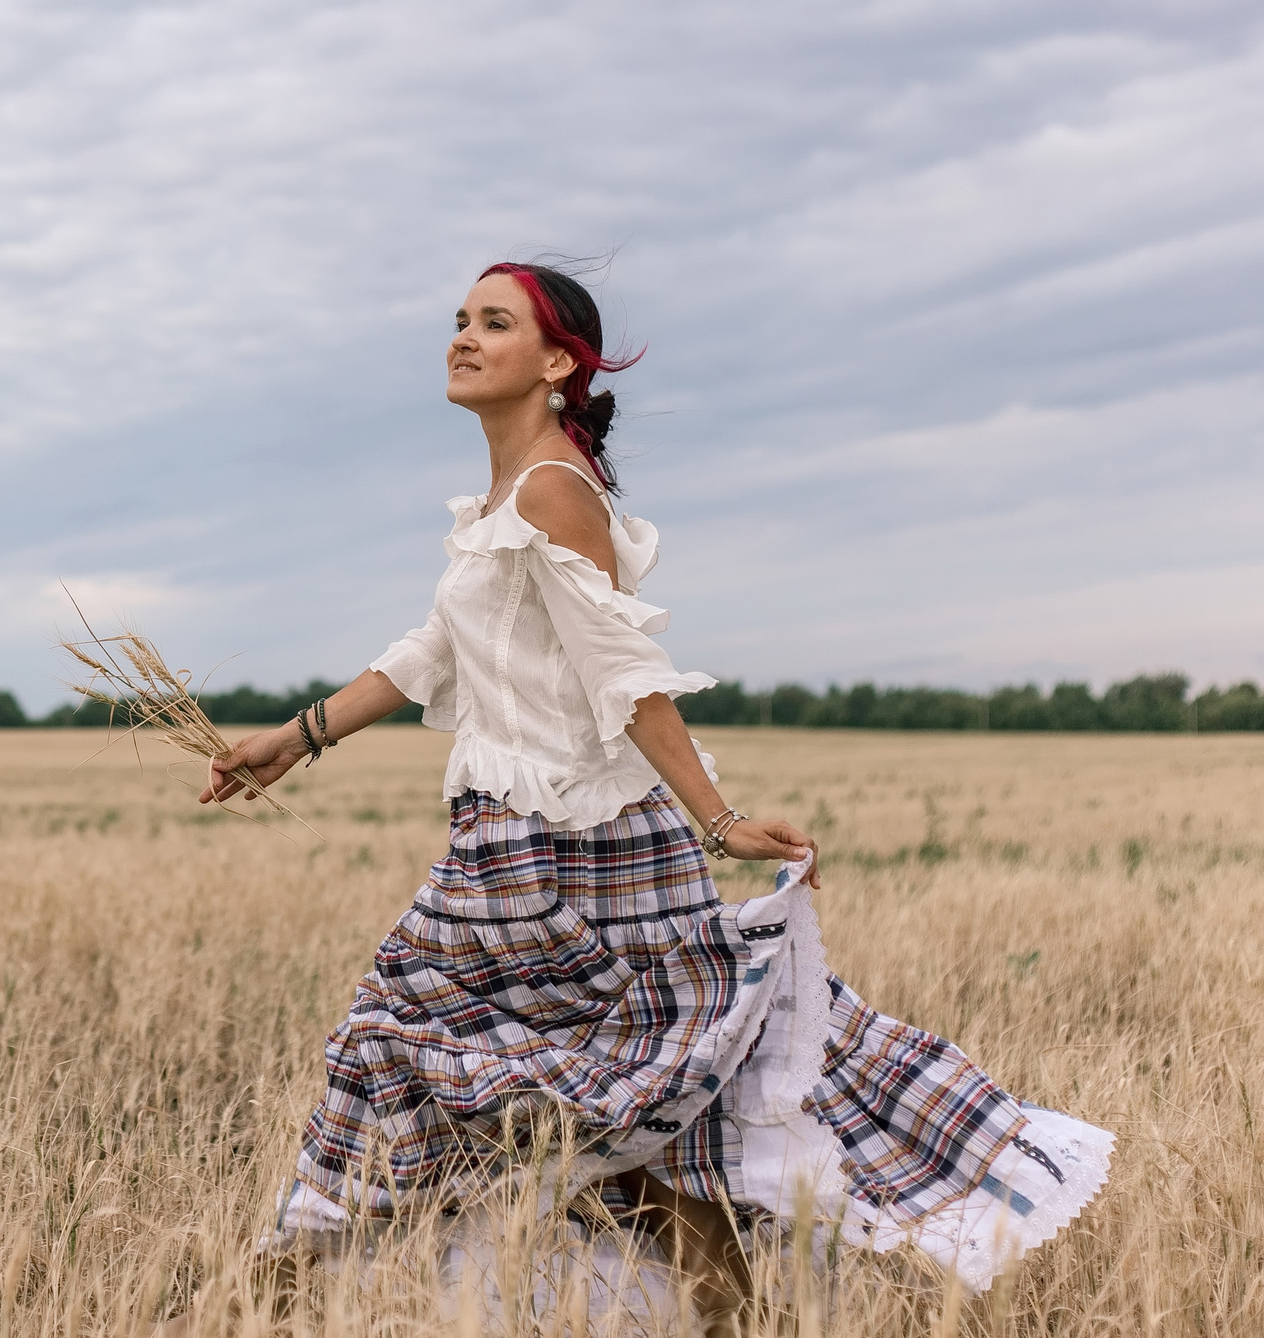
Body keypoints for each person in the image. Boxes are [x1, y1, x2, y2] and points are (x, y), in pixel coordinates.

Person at [202, 260, 1111, 1328]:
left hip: (583, 853)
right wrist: (293, 739)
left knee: (533, 1087)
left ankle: (267, 1299)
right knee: (601, 1111)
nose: (461, 337)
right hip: (503, 849)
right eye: (458, 320)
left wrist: (718, 822)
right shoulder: (504, 498)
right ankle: (294, 1298)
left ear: (554, 364)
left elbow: (624, 676)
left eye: (493, 324)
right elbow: (432, 650)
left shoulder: (551, 491)